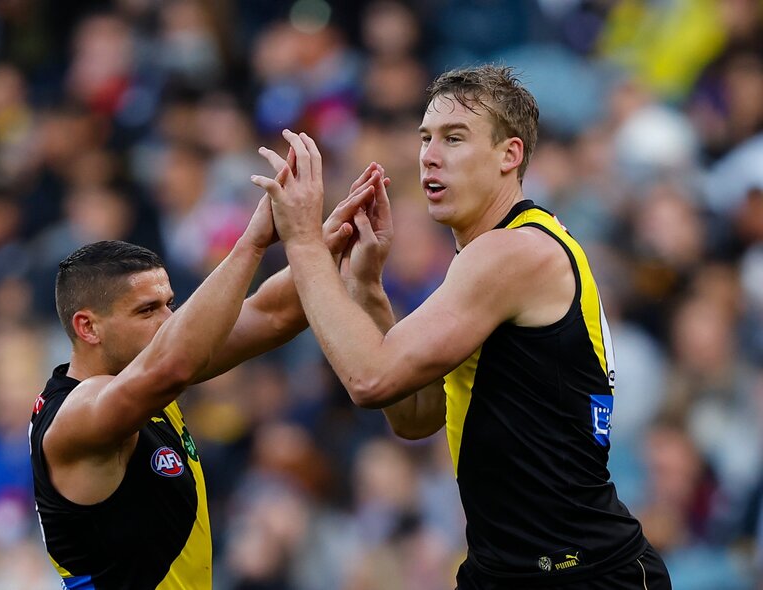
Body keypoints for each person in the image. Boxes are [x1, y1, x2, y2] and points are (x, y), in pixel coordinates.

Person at [251, 65, 672, 589]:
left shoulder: (513, 251)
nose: (430, 154)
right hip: (506, 570)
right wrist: (366, 284)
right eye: (426, 137)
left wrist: (303, 241)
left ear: (509, 155)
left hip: (580, 573)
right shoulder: (488, 257)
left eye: (454, 138)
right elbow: (414, 414)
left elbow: (369, 379)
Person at [29, 158, 386, 590]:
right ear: (88, 327)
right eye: (146, 310)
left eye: (168, 304)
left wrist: (326, 239)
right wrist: (251, 244)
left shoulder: (146, 374)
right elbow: (176, 361)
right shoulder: (78, 414)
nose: (167, 320)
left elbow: (271, 315)